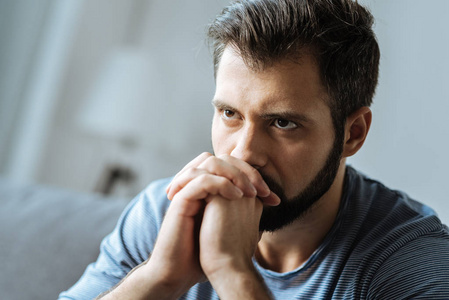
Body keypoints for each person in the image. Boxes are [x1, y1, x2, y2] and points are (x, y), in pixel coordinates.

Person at [59, 0, 449, 299]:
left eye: (283, 123)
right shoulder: (166, 213)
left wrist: (231, 272)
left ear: (353, 134)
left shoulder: (412, 261)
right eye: (230, 113)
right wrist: (159, 277)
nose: (244, 153)